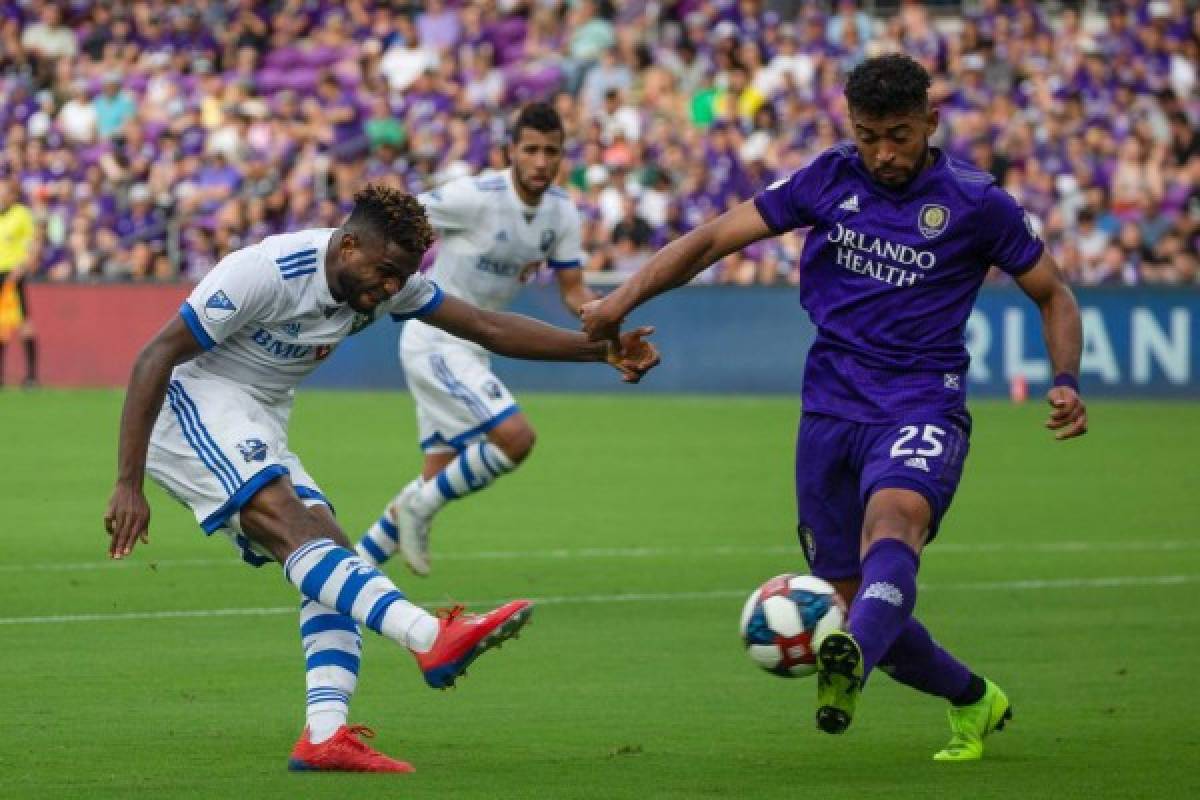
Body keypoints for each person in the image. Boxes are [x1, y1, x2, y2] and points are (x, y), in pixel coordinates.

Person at [581, 54, 1087, 761]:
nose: (884, 152)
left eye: (901, 135)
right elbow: (709, 241)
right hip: (828, 408)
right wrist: (617, 302)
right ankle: (972, 698)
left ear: (931, 123)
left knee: (897, 524)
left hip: (921, 402)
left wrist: (1065, 376)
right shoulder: (826, 178)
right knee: (855, 598)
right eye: (869, 133)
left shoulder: (978, 203)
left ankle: (846, 670)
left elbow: (1053, 293)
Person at [104, 185, 658, 773]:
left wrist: (595, 351)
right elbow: (154, 356)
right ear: (348, 244)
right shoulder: (264, 272)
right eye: (386, 272)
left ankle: (325, 735)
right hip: (189, 404)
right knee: (294, 527)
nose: (391, 288)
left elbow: (484, 326)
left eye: (402, 277)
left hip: (257, 416)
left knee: (334, 557)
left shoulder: (386, 279)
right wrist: (128, 482)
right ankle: (428, 636)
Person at [356, 103, 596, 577]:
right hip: (436, 337)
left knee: (435, 475)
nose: (541, 161)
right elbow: (400, 218)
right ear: (511, 151)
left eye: (551, 151)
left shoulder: (562, 213)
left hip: (477, 346)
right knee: (515, 438)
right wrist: (386, 278)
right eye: (530, 149)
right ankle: (419, 511)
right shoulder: (476, 197)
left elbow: (573, 291)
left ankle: (352, 569)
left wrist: (609, 314)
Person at [0, 179, 39, 387]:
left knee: (24, 323)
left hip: (13, 274)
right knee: (1, 326)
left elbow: (32, 244)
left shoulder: (21, 214)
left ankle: (31, 375)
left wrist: (21, 267)